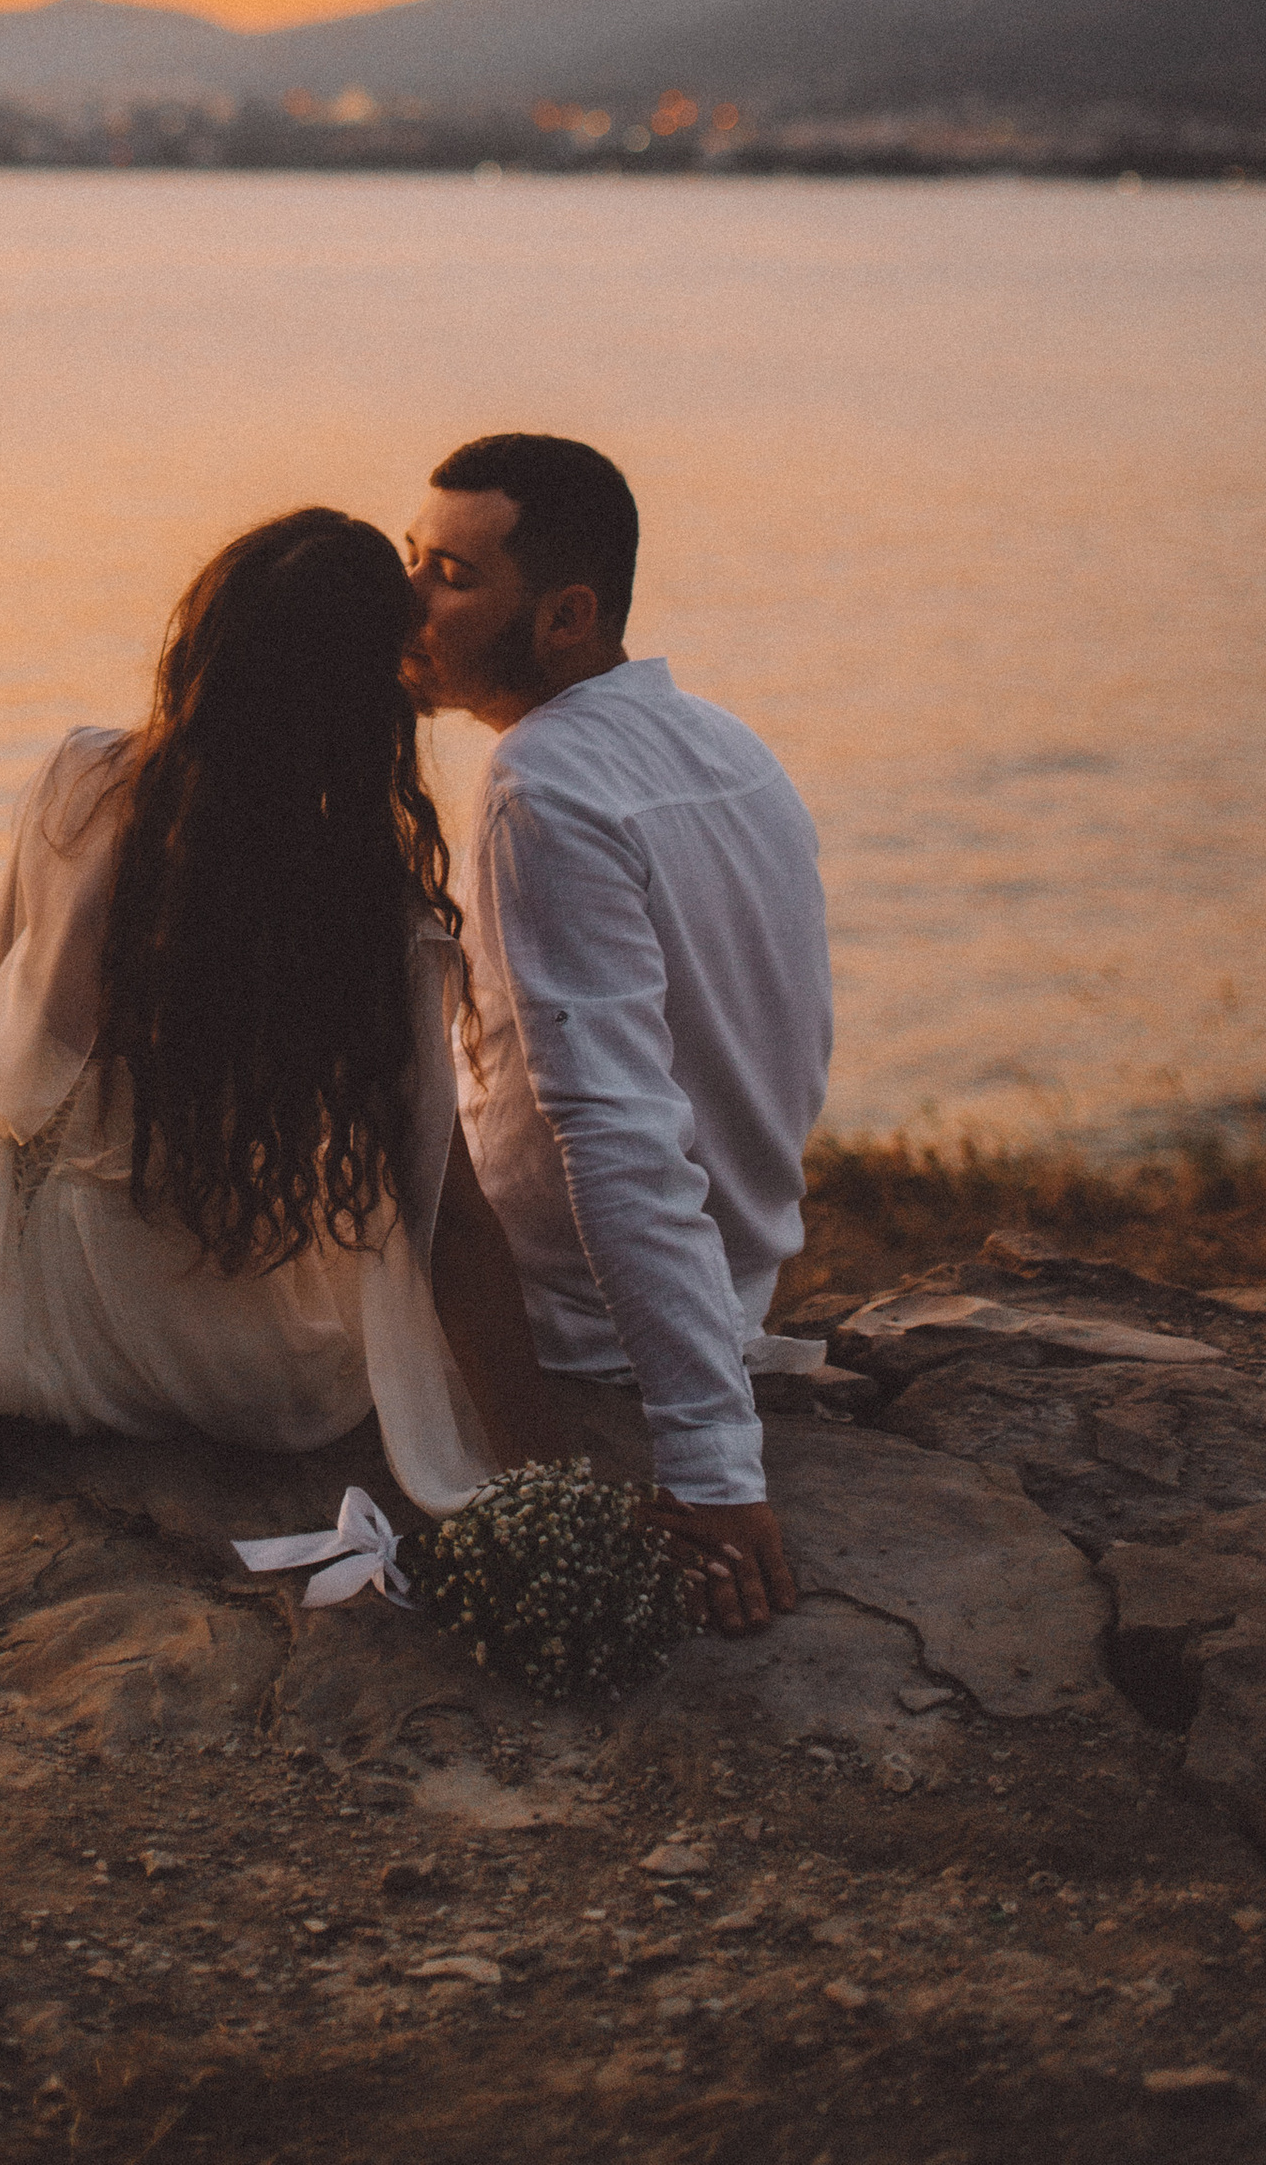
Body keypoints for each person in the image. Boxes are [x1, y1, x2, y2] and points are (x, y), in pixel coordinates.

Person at [0, 507, 563, 1625]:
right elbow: (445, 1214)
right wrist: (555, 1477)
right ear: (368, 706)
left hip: (17, 1323)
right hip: (247, 1373)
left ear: (199, 645)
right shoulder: (368, 904)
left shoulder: (76, 782)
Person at [403, 432, 832, 1638]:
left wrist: (709, 1460)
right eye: (410, 557)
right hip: (731, 1281)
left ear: (566, 613)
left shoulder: (540, 787)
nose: (409, 600)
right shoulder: (731, 746)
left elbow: (620, 1134)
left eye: (451, 573)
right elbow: (789, 1047)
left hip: (564, 1320)